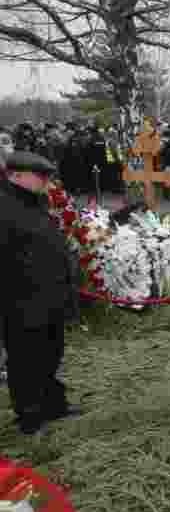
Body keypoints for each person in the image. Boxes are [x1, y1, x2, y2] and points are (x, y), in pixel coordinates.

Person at [0, 152, 82, 435]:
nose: (46, 182)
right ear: (16, 175)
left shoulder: (35, 203)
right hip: (22, 300)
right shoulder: (5, 207)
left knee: (51, 354)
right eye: (41, 176)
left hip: (51, 295)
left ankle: (53, 405)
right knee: (25, 360)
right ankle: (30, 417)